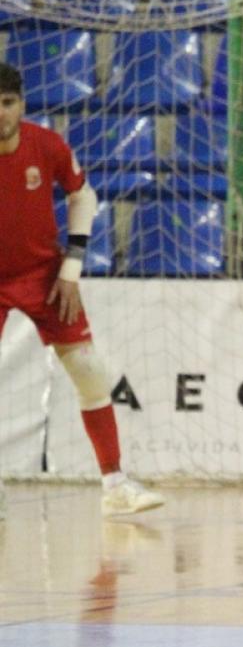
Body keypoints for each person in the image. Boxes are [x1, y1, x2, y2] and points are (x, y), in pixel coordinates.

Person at [0, 62, 164, 519]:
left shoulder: (46, 145)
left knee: (91, 373)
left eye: (7, 102)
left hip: (45, 277)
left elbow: (83, 196)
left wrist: (71, 267)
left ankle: (115, 485)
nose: (0, 113)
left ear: (21, 105)